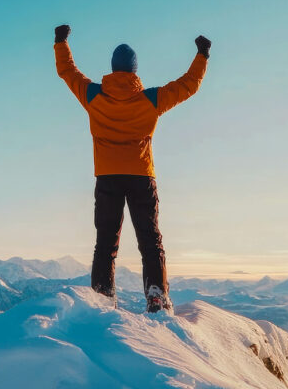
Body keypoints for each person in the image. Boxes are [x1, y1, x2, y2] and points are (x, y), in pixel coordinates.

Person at [54, 24, 210, 313]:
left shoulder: (94, 96)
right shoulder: (150, 100)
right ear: (135, 71)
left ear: (113, 70)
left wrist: (60, 42)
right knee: (150, 239)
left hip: (107, 176)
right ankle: (156, 295)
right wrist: (202, 55)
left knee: (106, 243)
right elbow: (188, 85)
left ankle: (102, 295)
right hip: (141, 175)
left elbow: (68, 72)